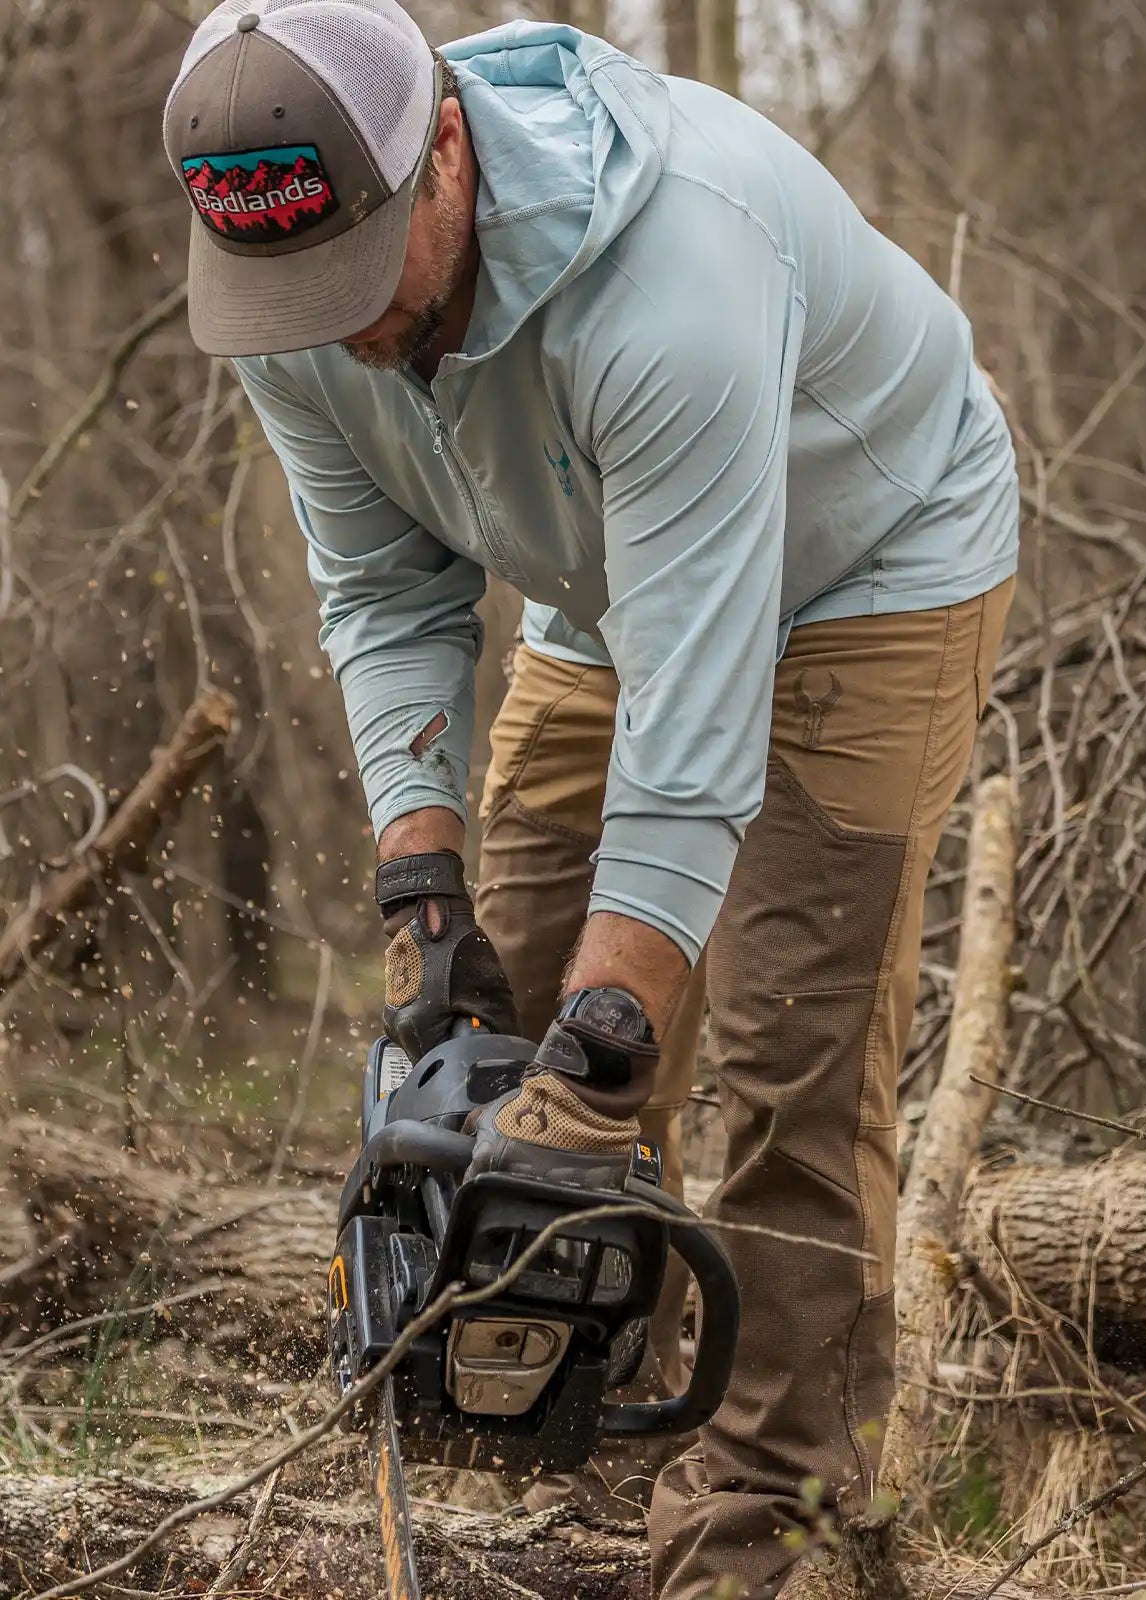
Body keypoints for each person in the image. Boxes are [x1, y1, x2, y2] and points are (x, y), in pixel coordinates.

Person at [162, 3, 1018, 1595]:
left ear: (444, 156)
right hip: (600, 573)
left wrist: (610, 1056)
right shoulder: (296, 311)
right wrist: (424, 897)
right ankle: (576, 1409)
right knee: (517, 1020)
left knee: (784, 1059)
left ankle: (775, 1520)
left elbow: (693, 747)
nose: (334, 330)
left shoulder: (677, 274)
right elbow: (380, 587)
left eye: (353, 279)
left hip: (870, 568)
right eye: (289, 296)